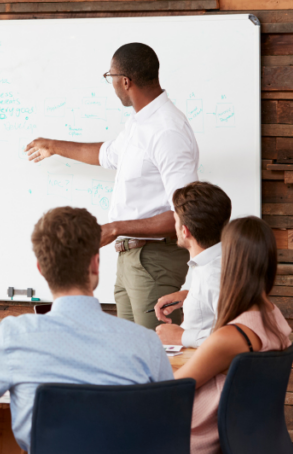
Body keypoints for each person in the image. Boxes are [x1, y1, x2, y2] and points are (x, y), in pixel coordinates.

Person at [0, 207, 173, 454]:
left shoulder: (15, 336)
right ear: (95, 264)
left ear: (41, 270)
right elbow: (169, 427)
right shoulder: (147, 343)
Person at [25, 42, 199, 329]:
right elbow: (106, 154)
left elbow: (184, 216)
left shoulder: (167, 130)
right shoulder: (139, 124)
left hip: (153, 259)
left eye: (111, 77)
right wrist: (54, 146)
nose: (112, 84)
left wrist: (117, 227)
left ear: (125, 81)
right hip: (130, 257)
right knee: (132, 356)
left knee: (154, 354)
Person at [173, 217, 293, 454]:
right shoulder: (275, 320)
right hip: (249, 446)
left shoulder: (231, 337)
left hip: (199, 450)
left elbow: (172, 391)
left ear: (229, 263)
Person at [154, 181, 232, 348]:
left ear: (185, 231)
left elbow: (234, 335)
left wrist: (181, 337)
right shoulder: (212, 262)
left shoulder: (213, 274)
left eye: (175, 221)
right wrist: (186, 296)